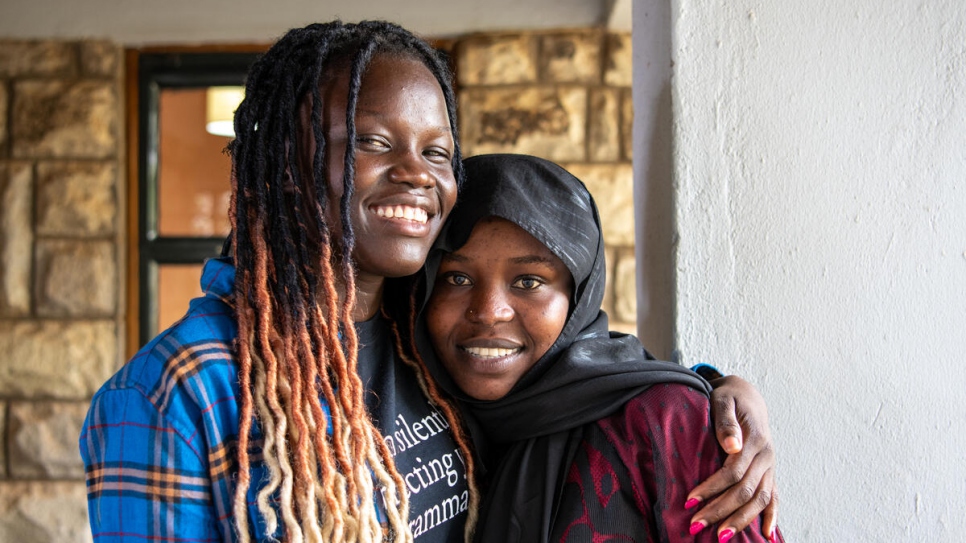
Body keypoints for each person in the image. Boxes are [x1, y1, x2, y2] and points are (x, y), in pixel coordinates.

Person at [79, 20, 774, 543]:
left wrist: (713, 394)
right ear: (289, 162)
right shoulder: (181, 388)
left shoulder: (423, 336)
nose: (416, 172)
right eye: (373, 141)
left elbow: (567, 379)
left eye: (437, 151)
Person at [414, 154, 783, 542]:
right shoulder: (413, 413)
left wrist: (710, 390)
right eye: (456, 277)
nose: (488, 312)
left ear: (579, 296)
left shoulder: (666, 420)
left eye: (528, 282)